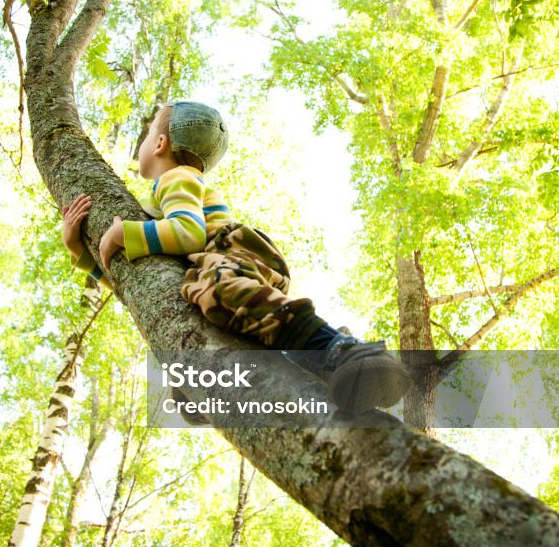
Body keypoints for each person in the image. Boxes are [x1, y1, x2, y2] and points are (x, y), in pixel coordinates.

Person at [62, 101, 411, 418]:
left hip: (231, 253)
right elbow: (135, 284)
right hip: (221, 261)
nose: (144, 140)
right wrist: (81, 251)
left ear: (160, 144)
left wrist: (126, 234)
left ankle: (342, 350)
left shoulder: (176, 178)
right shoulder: (165, 193)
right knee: (216, 316)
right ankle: (323, 369)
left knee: (222, 291)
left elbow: (188, 233)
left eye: (149, 131)